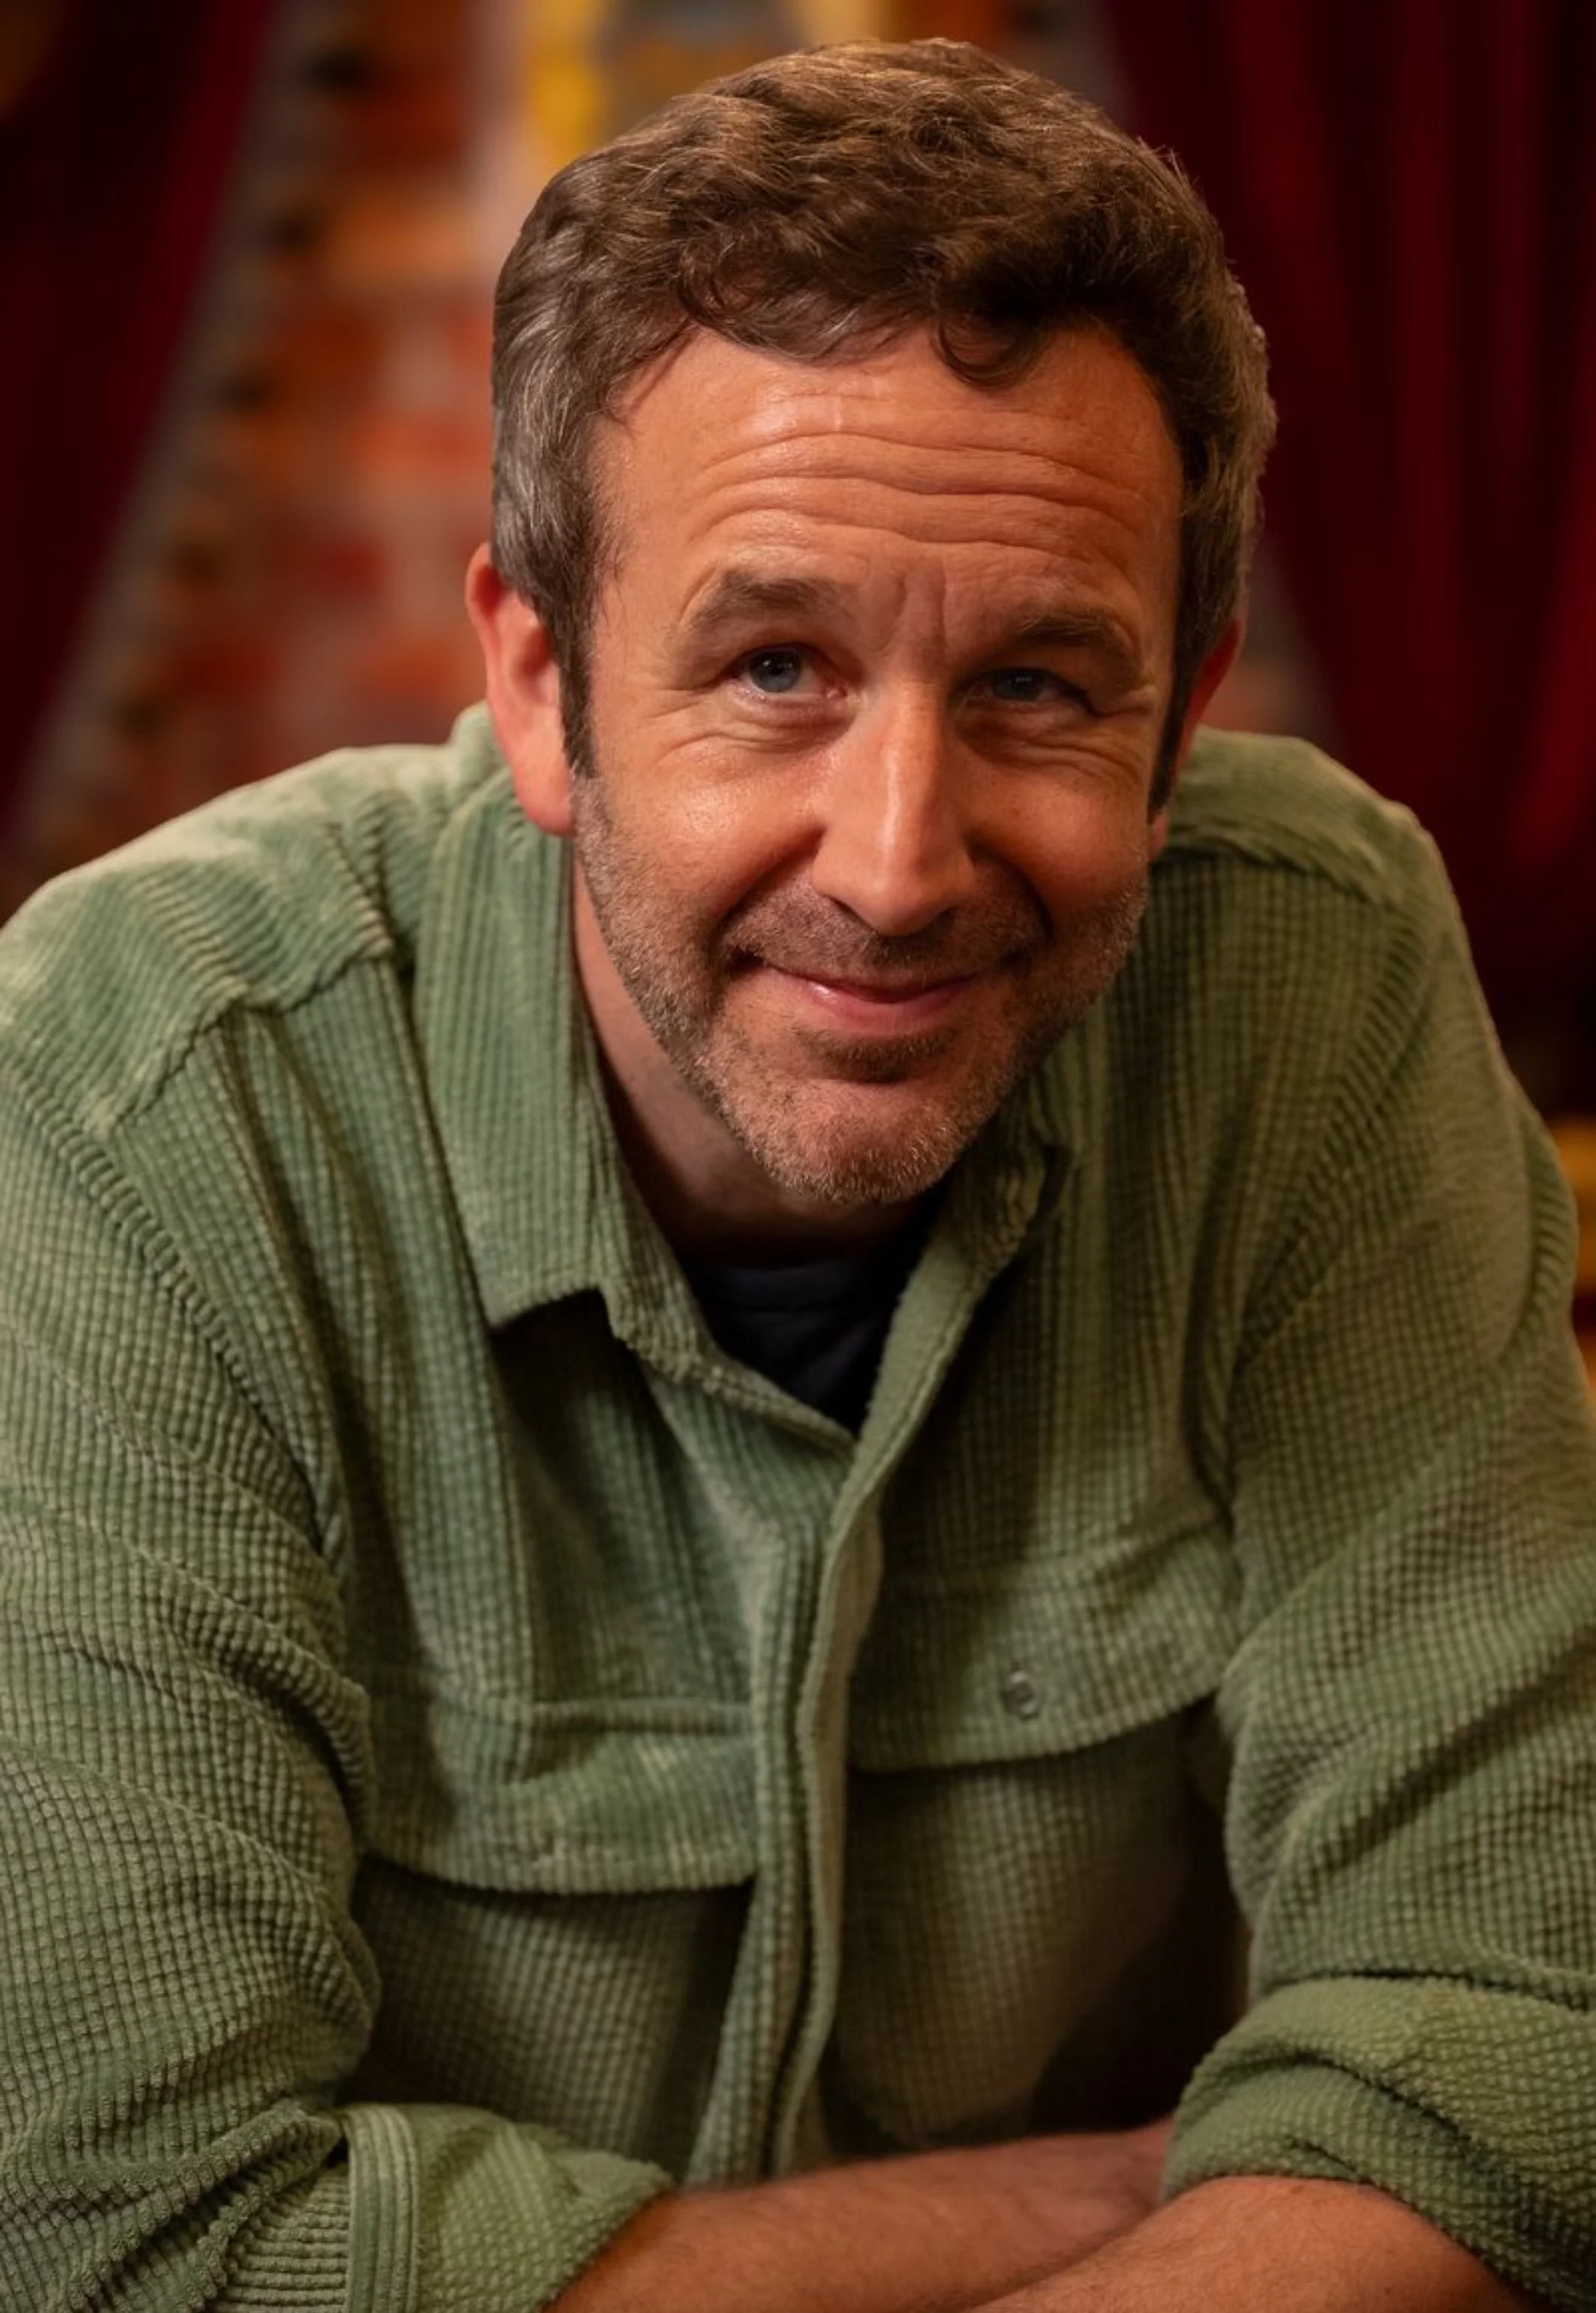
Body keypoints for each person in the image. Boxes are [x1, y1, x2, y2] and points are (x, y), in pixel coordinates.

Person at [2, 37, 1591, 2313]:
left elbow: (1521, 2041)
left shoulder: (1316, 977)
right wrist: (1100, 2199)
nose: (898, 861)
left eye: (1041, 686)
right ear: (538, 683)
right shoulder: (133, 1089)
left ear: (1185, 718)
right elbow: (129, 2240)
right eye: (774, 667)